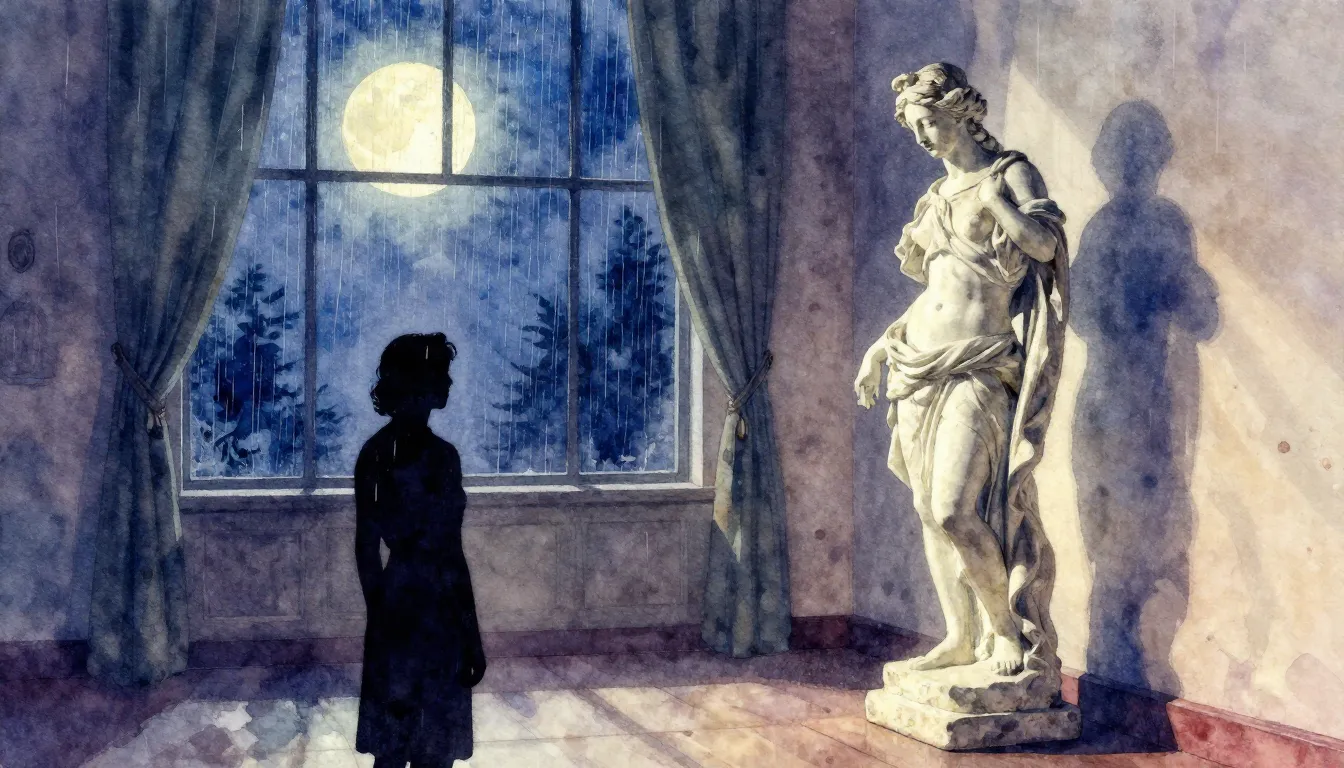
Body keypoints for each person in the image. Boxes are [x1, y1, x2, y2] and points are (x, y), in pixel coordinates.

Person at [854, 63, 1069, 680]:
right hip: (917, 364)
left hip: (980, 362)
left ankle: (1005, 632)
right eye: (914, 128)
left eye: (929, 122)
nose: (923, 137)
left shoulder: (1009, 174)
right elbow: (939, 290)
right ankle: (958, 636)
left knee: (954, 508)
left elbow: (1045, 247)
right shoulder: (936, 197)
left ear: (959, 113)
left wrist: (996, 203)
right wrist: (881, 345)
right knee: (928, 509)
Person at [354, 332, 486, 768]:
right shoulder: (393, 455)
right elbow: (367, 545)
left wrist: (470, 635)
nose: (448, 383)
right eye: (441, 374)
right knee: (405, 745)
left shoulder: (403, 454)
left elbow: (449, 552)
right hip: (416, 607)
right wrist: (383, 619)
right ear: (419, 382)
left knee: (422, 746)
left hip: (421, 606)